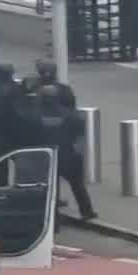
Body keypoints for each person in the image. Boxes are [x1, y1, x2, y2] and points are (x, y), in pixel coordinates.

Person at [39, 86, 96, 221]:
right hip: (68, 155)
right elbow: (79, 131)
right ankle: (87, 211)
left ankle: (53, 218)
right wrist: (77, 151)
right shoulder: (69, 115)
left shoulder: (36, 115)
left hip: (47, 156)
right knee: (78, 185)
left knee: (51, 189)